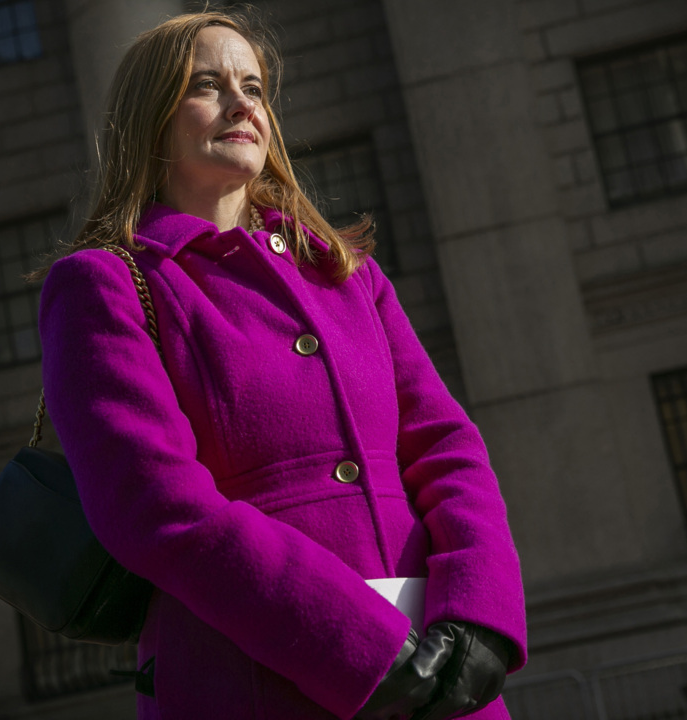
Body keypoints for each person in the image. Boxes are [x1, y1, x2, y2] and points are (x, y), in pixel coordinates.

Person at [37, 9, 527, 719]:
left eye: (255, 87)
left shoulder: (346, 272)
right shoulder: (103, 283)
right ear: (152, 115)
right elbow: (155, 505)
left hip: (441, 678)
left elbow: (446, 449)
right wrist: (357, 643)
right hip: (253, 686)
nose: (242, 104)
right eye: (208, 85)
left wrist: (480, 616)